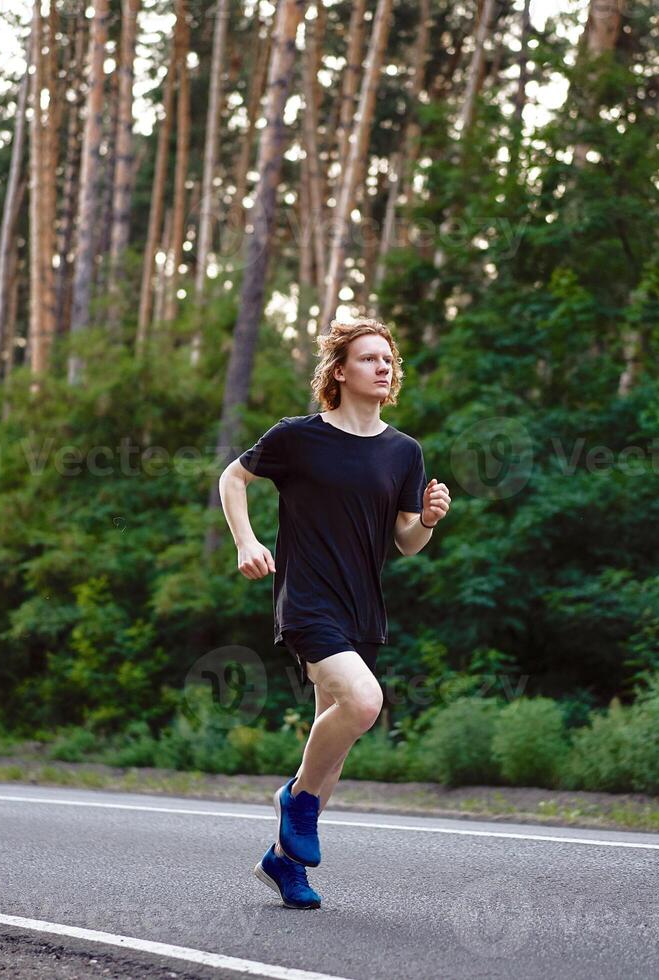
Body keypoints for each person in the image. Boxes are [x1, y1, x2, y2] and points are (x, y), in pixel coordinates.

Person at [217, 317, 450, 910]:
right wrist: (246, 542)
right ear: (340, 372)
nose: (383, 367)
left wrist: (425, 519)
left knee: (336, 746)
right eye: (370, 358)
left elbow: (403, 541)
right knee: (364, 703)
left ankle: (283, 863)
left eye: (388, 359)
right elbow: (233, 479)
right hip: (307, 598)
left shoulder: (404, 451)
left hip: (362, 606)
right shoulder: (299, 437)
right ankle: (295, 800)